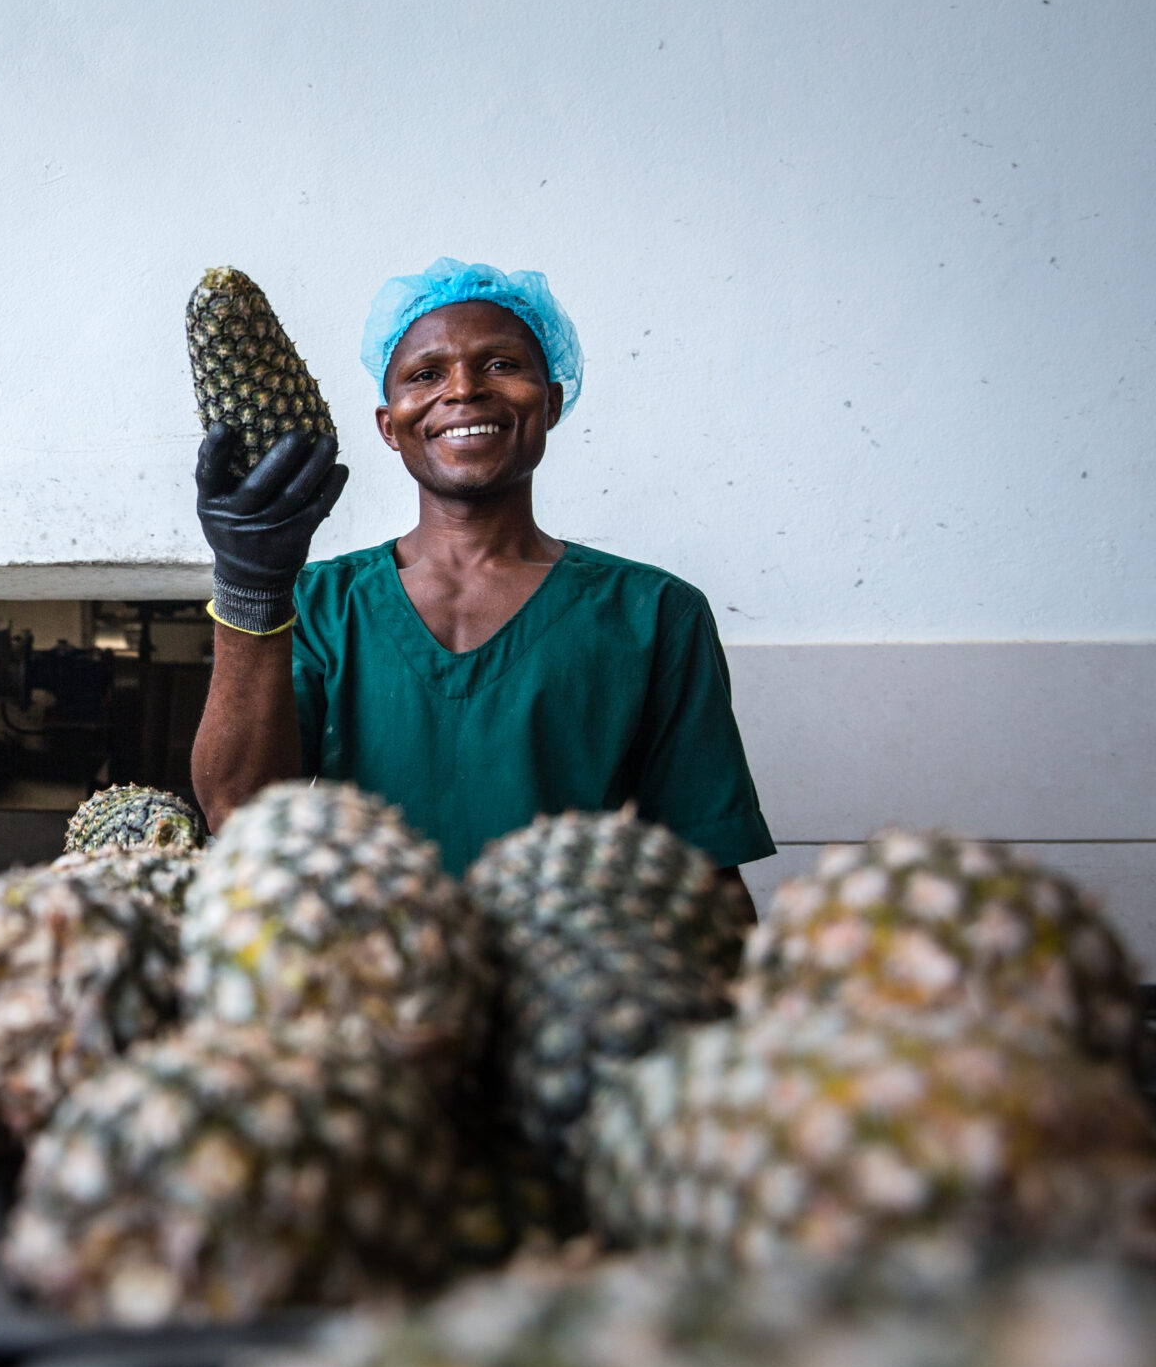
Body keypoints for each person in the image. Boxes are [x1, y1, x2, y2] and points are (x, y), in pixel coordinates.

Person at [188, 258, 774, 906]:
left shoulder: (656, 615)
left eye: (501, 364)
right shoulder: (321, 606)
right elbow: (238, 813)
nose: (463, 388)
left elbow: (709, 877)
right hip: (371, 985)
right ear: (390, 423)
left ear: (549, 399)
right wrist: (250, 582)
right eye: (426, 373)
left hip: (572, 990)